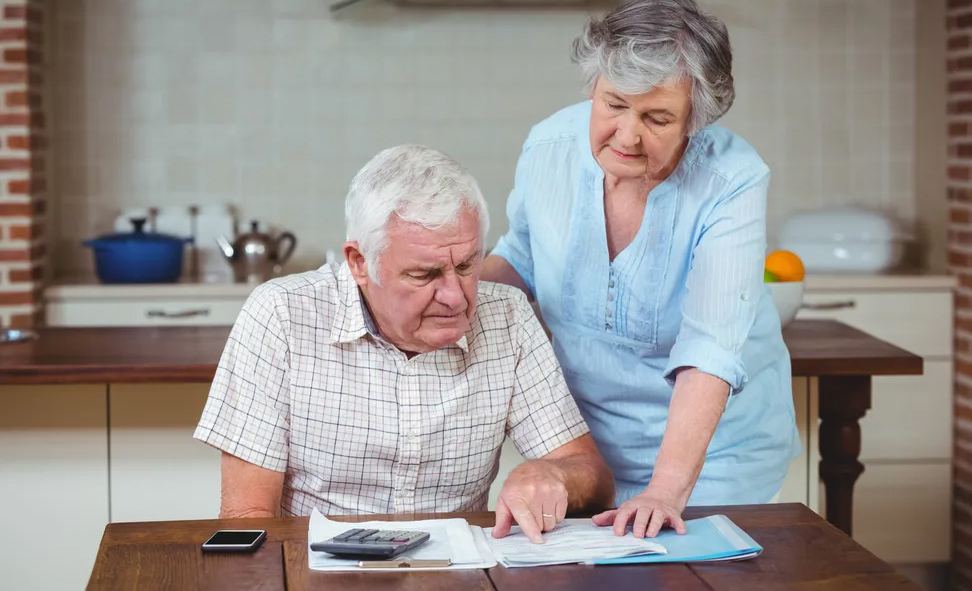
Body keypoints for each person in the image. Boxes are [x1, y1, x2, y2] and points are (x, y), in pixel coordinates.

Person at [481, 0, 800, 539]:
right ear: (593, 88)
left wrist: (666, 489)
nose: (627, 136)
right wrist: (441, 291)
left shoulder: (732, 181)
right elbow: (521, 259)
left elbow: (711, 348)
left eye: (657, 118)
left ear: (694, 121)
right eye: (614, 105)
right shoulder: (548, 148)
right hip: (585, 453)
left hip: (710, 461)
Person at [194, 144, 615, 543]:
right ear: (360, 263)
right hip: (316, 572)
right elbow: (247, 519)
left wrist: (556, 476)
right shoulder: (282, 315)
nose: (455, 296)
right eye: (424, 274)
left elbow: (593, 477)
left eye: (467, 265)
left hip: (456, 576)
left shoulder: (507, 316)